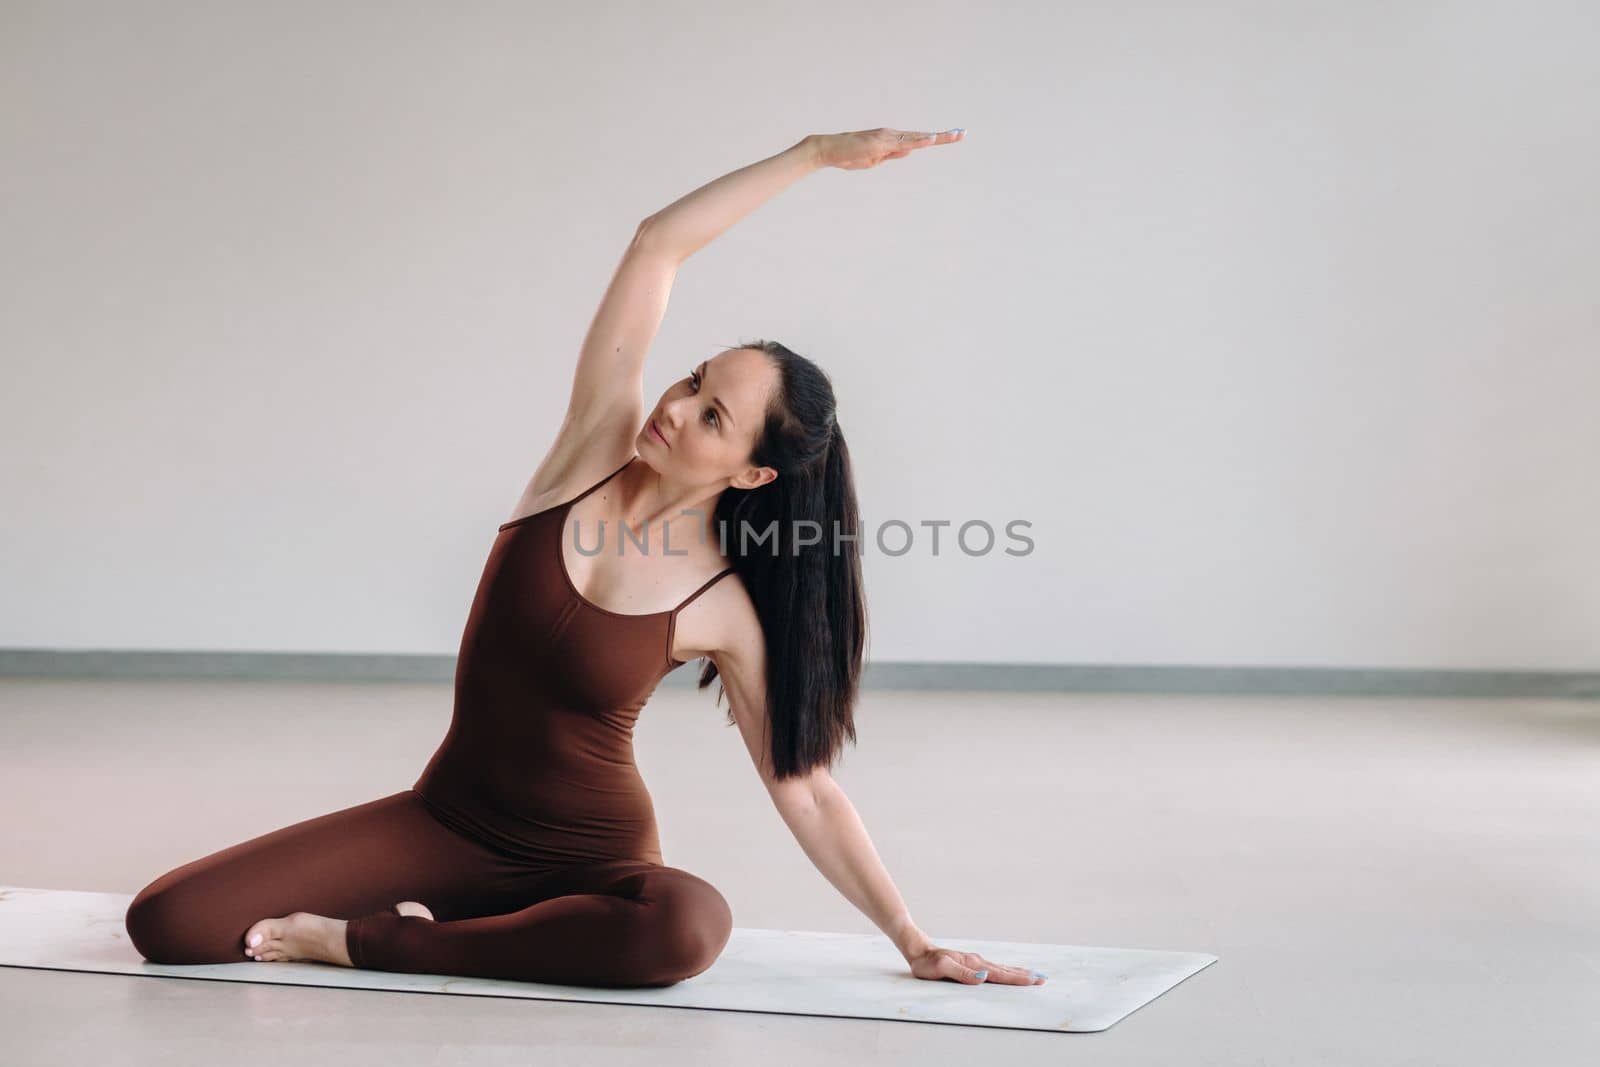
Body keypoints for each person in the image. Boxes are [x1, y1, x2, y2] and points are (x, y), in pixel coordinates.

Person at [124, 127, 1044, 989]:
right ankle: (443, 925)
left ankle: (378, 940)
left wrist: (911, 938)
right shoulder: (589, 451)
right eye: (693, 381)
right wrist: (811, 155)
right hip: (441, 821)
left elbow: (802, 788)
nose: (677, 408)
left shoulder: (721, 600)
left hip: (589, 861)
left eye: (712, 416)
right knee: (169, 924)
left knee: (686, 925)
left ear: (755, 473)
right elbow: (656, 246)